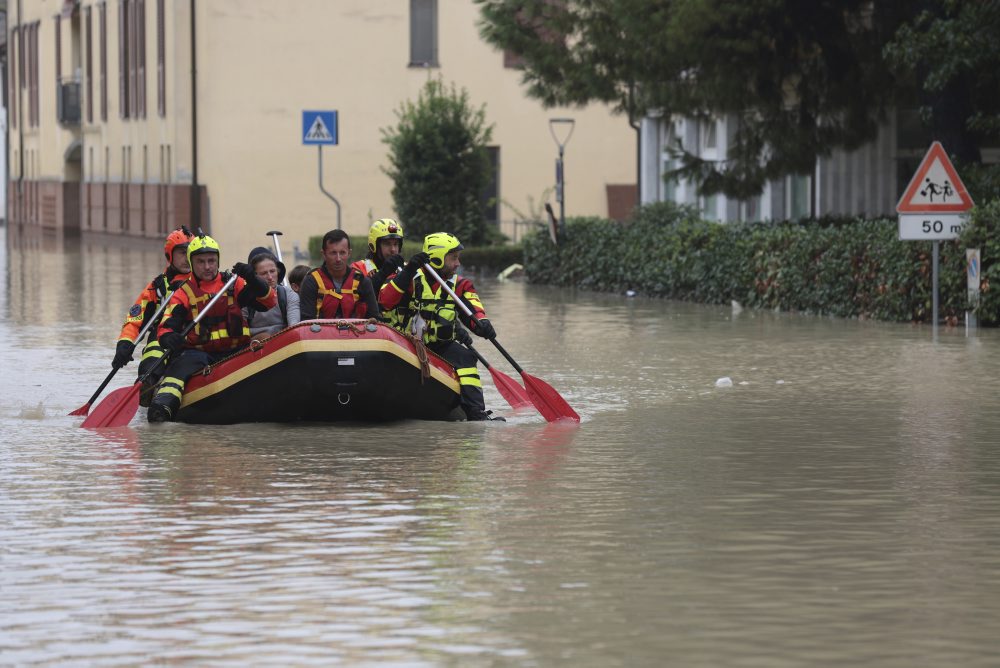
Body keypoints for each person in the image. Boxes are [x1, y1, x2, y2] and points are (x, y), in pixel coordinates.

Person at [147, 234, 276, 422]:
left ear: (218, 260)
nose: (207, 267)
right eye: (201, 262)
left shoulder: (233, 284)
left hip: (235, 350)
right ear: (192, 262)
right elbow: (166, 328)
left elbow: (268, 302)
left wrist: (253, 279)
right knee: (180, 368)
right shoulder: (183, 293)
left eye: (211, 261)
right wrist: (169, 338)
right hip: (198, 353)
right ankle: (162, 406)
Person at [379, 232, 502, 421]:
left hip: (440, 345)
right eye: (453, 258)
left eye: (458, 258)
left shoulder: (461, 285)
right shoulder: (408, 278)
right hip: (407, 345)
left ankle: (476, 413)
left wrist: (482, 324)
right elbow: (384, 301)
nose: (458, 263)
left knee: (466, 357)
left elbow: (474, 310)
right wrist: (409, 270)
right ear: (437, 259)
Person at [112, 226, 194, 406]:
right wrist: (124, 344)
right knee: (156, 342)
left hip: (194, 334)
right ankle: (146, 383)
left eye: (190, 252)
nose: (187, 258)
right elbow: (135, 319)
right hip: (164, 335)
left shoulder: (203, 280)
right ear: (169, 256)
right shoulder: (158, 287)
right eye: (181, 253)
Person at [298, 229, 380, 320]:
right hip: (320, 334)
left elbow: (374, 319)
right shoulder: (311, 281)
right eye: (333, 253)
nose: (338, 259)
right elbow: (306, 322)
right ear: (324, 254)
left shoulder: (362, 281)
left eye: (342, 253)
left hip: (356, 333)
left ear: (349, 253)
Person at [243, 247, 300, 339]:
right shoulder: (244, 298)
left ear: (278, 271)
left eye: (272, 271)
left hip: (284, 343)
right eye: (264, 273)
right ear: (253, 277)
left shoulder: (289, 295)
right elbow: (240, 334)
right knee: (264, 337)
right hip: (253, 346)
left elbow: (294, 327)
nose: (270, 277)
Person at [351, 218, 406, 295]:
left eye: (396, 244)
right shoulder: (358, 268)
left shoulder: (405, 268)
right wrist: (383, 273)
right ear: (374, 245)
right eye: (387, 244)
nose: (393, 249)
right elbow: (359, 295)